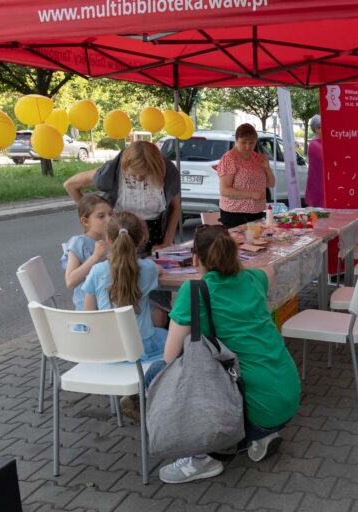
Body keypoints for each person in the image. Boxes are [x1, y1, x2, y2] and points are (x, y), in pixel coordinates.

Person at [153, 225, 301, 484]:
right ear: (234, 254)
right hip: (287, 397)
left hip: (259, 407)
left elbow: (169, 357)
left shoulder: (195, 290)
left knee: (157, 374)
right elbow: (270, 268)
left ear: (196, 258)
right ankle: (258, 436)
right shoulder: (254, 279)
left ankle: (202, 458)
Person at [81, 211, 168, 364]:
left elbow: (88, 314)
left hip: (108, 349)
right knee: (176, 337)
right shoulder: (149, 269)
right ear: (143, 239)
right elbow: (158, 270)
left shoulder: (97, 271)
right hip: (142, 347)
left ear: (108, 239)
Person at [64, 141, 180, 254]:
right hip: (118, 241)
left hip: (155, 242)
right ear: (125, 165)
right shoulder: (111, 172)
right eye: (133, 174)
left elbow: (176, 207)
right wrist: (90, 214)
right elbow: (70, 185)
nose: (139, 178)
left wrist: (167, 242)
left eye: (145, 174)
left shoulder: (168, 173)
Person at [217, 123, 276, 228]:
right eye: (243, 142)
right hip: (235, 213)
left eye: (251, 143)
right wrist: (252, 194)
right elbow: (224, 190)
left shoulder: (258, 158)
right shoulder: (229, 159)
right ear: (236, 141)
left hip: (257, 212)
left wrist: (267, 168)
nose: (248, 147)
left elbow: (271, 184)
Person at [61, 194, 112, 311]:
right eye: (101, 216)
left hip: (113, 302)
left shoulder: (112, 240)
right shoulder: (79, 243)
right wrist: (95, 257)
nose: (109, 220)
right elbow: (70, 281)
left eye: (110, 214)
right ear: (85, 221)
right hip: (90, 311)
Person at [306, 115, 324, 208]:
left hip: (322, 188)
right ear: (316, 129)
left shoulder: (323, 142)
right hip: (318, 188)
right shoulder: (314, 144)